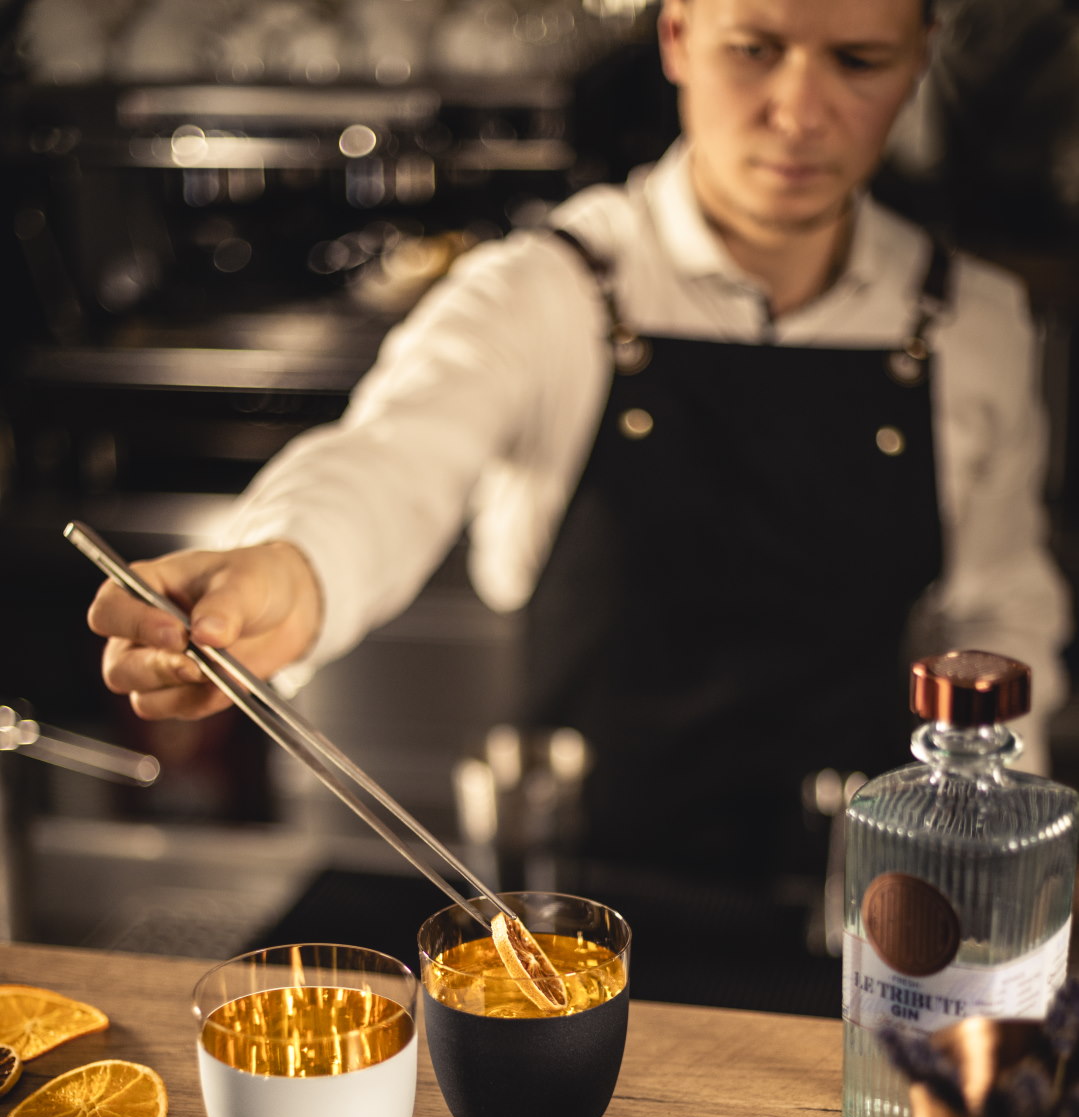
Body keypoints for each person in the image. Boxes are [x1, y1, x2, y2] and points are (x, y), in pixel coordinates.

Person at [87, 0, 1071, 976]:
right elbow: (387, 458)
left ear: (917, 61)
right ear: (676, 36)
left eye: (857, 61)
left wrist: (991, 859)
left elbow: (1000, 610)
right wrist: (286, 573)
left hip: (851, 922)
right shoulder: (549, 287)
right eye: (753, 50)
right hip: (565, 929)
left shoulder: (971, 323)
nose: (798, 111)